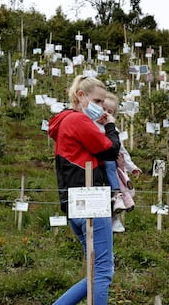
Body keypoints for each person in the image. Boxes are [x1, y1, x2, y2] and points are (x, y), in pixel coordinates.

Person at [48, 75, 120, 305]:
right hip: (92, 201)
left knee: (95, 272)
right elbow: (109, 150)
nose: (101, 107)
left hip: (74, 204)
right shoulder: (78, 120)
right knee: (102, 272)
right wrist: (111, 126)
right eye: (98, 101)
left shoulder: (64, 122)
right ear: (81, 96)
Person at [97, 93, 142, 232]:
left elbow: (122, 151)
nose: (105, 113)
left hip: (110, 166)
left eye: (109, 112)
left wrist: (131, 166)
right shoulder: (90, 125)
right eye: (103, 109)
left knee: (119, 177)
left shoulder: (113, 130)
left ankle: (119, 204)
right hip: (95, 168)